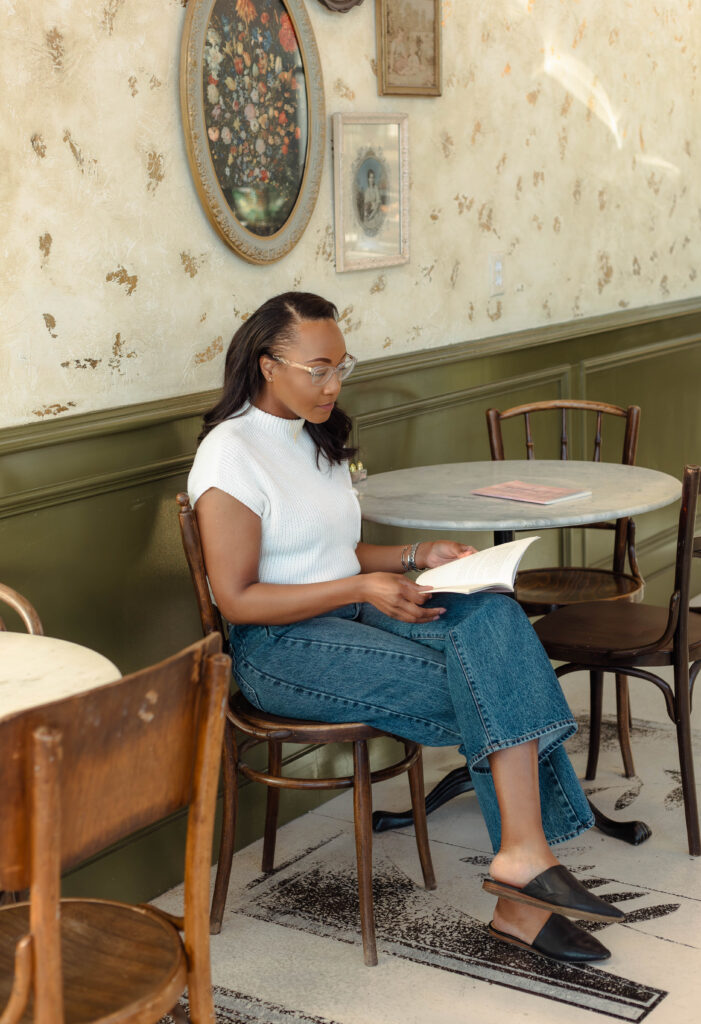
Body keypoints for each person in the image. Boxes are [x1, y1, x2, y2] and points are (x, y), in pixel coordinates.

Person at [188, 292, 624, 964]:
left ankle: (520, 863)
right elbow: (238, 599)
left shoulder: (311, 437)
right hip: (278, 651)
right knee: (489, 682)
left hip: (349, 613)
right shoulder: (230, 453)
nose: (333, 384)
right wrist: (362, 585)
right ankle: (522, 889)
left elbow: (327, 553)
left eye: (342, 367)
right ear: (266, 365)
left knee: (494, 615)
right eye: (317, 369)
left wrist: (417, 557)